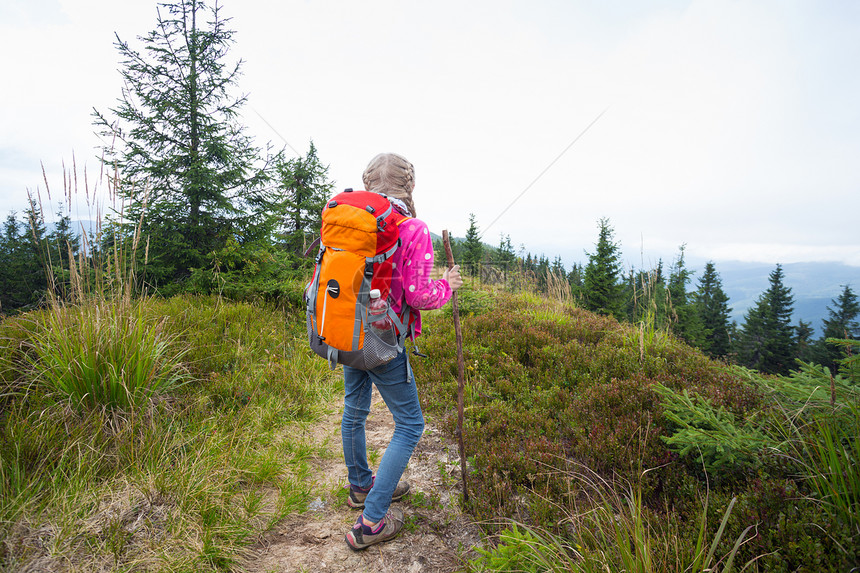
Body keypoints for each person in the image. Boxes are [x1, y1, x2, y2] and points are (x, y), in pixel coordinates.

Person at [342, 153, 463, 550]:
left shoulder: (349, 219)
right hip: (381, 337)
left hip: (345, 328)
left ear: (368, 183)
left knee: (354, 410)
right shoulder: (412, 228)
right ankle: (372, 521)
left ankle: (361, 486)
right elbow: (419, 295)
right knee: (411, 425)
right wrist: (447, 285)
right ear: (409, 185)